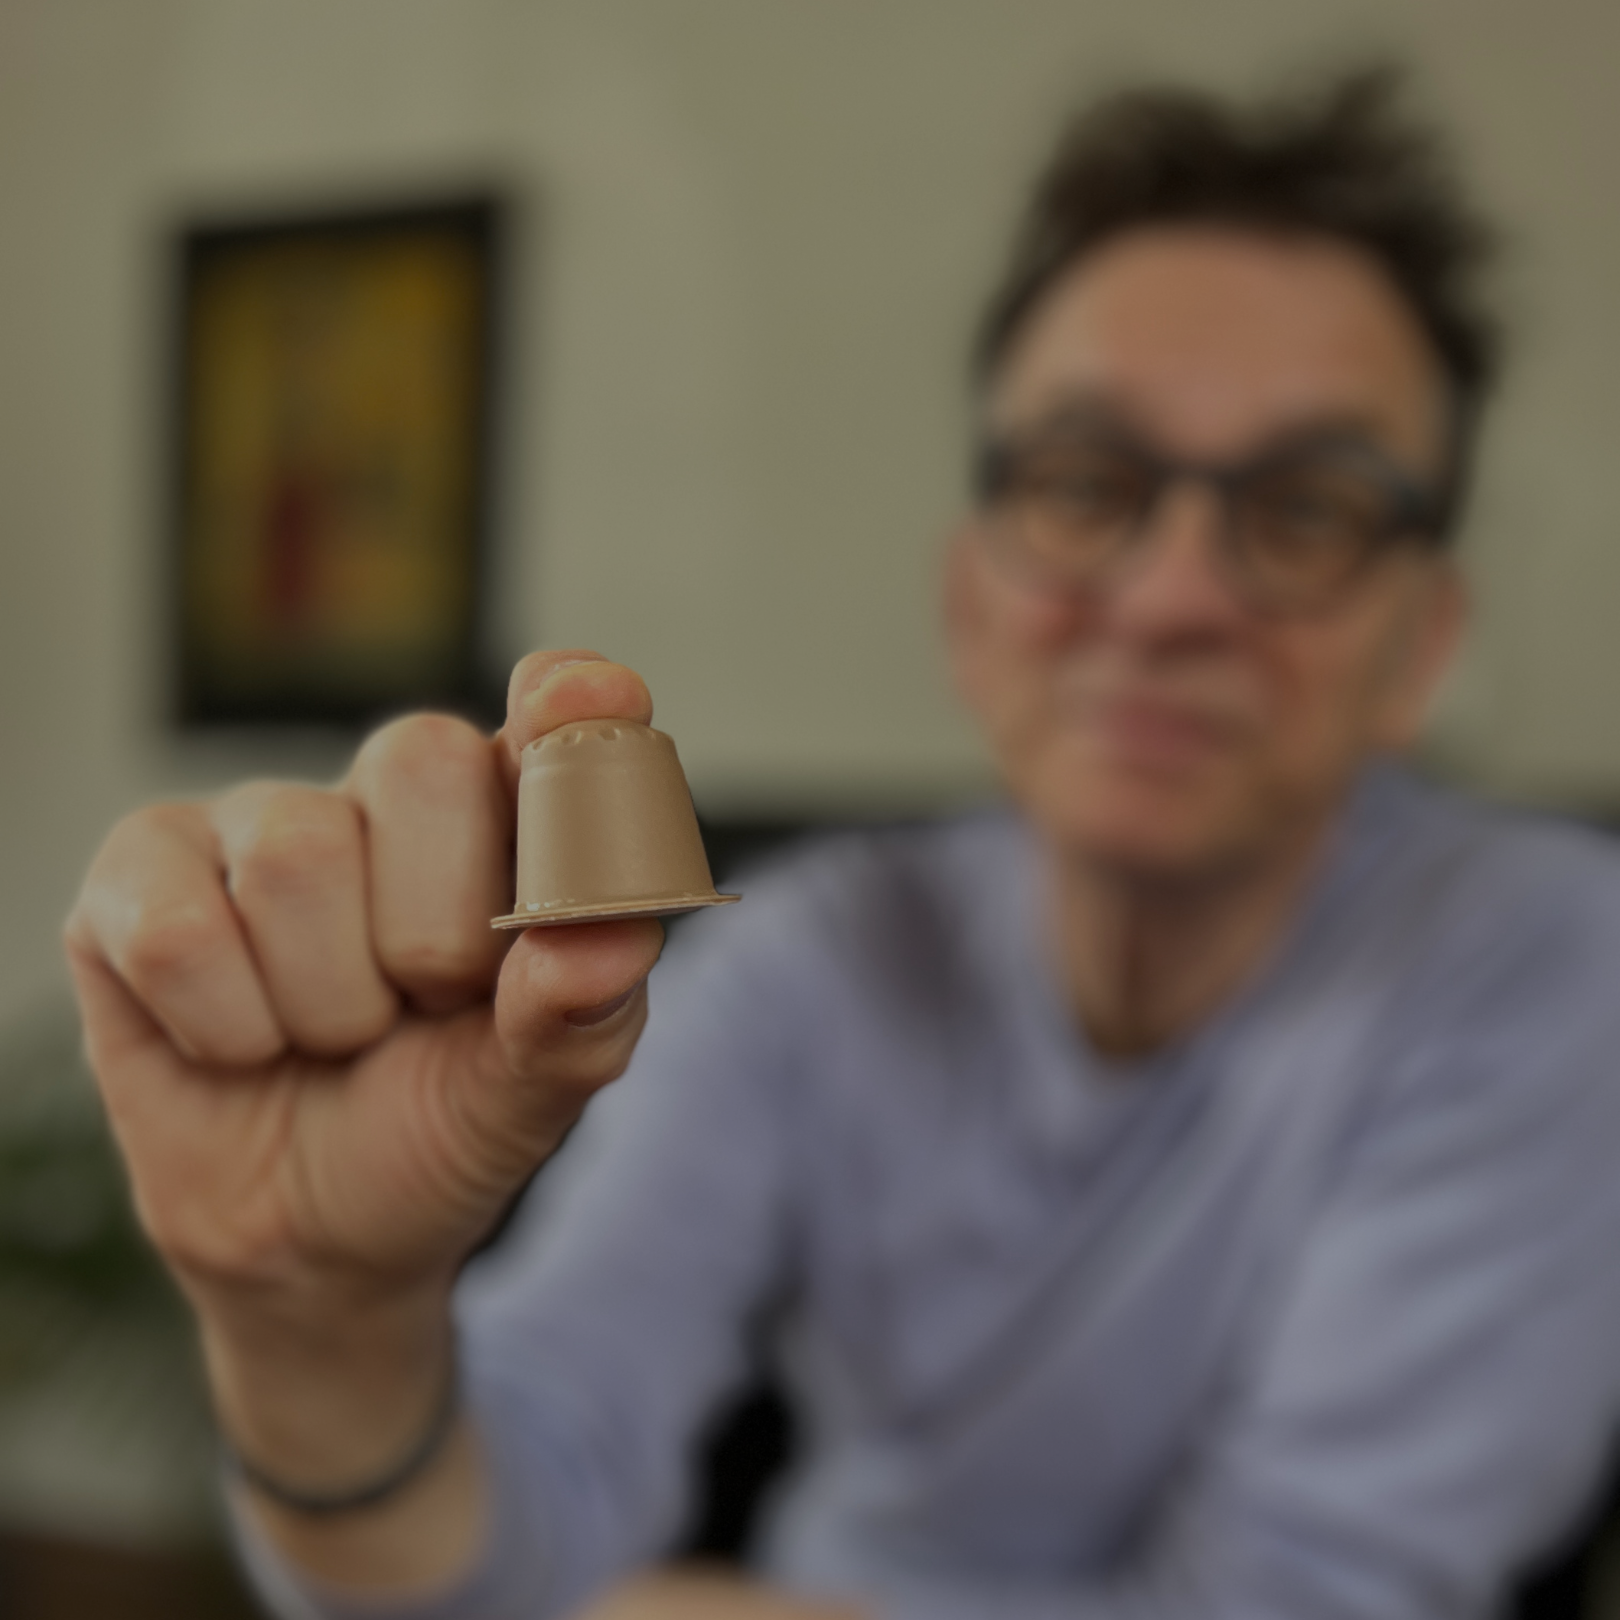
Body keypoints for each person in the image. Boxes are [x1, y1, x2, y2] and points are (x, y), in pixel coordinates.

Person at [65, 68, 1620, 1620]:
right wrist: (322, 1331)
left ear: (1423, 643)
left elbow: (1318, 1599)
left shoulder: (1552, 957)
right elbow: (500, 1538)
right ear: (970, 605)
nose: (1170, 599)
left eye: (1310, 509)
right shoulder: (814, 957)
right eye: (1086, 483)